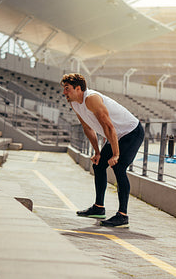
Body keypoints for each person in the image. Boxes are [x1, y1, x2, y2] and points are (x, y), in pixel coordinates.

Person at [61, 73, 144, 228]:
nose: (64, 92)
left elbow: (109, 127)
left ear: (78, 88)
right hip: (116, 136)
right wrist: (98, 153)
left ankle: (123, 216)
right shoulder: (75, 103)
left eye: (67, 89)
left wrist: (116, 154)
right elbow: (87, 128)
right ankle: (99, 208)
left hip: (131, 132)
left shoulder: (91, 98)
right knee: (98, 165)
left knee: (118, 167)